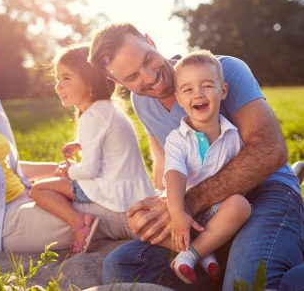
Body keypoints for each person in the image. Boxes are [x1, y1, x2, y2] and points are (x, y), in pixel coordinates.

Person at [89, 22, 304, 290]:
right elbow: (166, 161)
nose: (149, 77)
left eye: (148, 59)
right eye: (132, 78)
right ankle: (227, 260)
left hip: (265, 193)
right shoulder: (141, 101)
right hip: (206, 214)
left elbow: (269, 150)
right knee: (122, 266)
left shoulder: (224, 70)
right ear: (118, 83)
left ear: (151, 41)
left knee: (245, 285)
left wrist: (185, 204)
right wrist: (160, 209)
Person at [0, 16, 152, 253]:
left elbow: (8, 168)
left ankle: (147, 215)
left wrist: (61, 171)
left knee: (90, 199)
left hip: (25, 195)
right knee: (91, 213)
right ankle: (144, 221)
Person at [30, 45, 155, 255]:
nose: (58, 86)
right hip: (135, 189)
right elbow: (107, 142)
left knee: (38, 189)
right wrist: (80, 144)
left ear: (89, 83)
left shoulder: (91, 116)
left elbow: (89, 170)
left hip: (112, 191)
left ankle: (79, 223)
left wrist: (68, 171)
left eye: (66, 78)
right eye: (58, 79)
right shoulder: (108, 109)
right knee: (52, 184)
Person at [164, 51, 251, 284]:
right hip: (184, 210)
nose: (198, 94)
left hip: (216, 212)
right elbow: (174, 174)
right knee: (145, 219)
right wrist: (177, 212)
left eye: (206, 86)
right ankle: (205, 252)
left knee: (241, 205)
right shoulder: (177, 138)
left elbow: (240, 179)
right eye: (188, 90)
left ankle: (190, 254)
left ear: (223, 90)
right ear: (179, 99)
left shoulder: (233, 135)